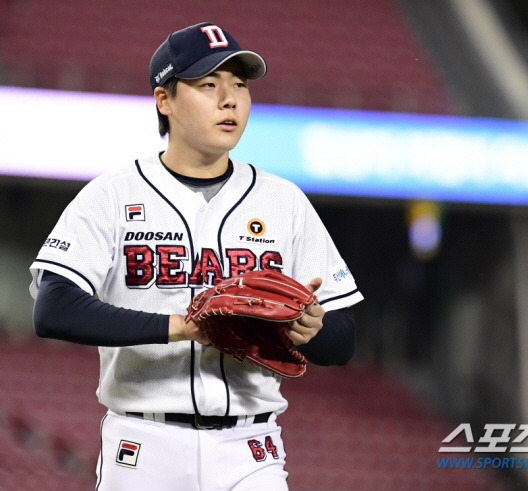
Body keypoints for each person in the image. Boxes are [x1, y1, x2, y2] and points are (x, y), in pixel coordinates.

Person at [29, 22, 363, 490]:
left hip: (251, 450)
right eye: (209, 85)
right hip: (142, 444)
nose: (230, 100)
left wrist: (311, 329)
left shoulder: (283, 201)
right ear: (164, 99)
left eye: (240, 86)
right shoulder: (111, 195)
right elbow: (54, 309)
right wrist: (182, 326)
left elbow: (342, 339)